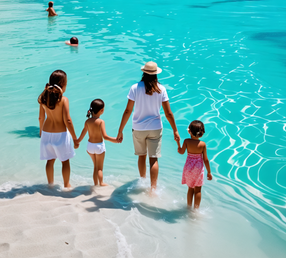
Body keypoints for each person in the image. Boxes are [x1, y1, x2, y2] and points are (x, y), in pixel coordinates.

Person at [116, 61, 180, 190]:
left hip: (138, 128)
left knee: (141, 156)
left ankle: (142, 183)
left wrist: (120, 130)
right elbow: (168, 113)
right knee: (153, 158)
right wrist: (175, 130)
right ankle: (153, 189)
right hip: (155, 127)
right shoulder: (161, 89)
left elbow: (128, 111)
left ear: (143, 73)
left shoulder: (135, 88)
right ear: (156, 74)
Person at [38, 70, 77, 188]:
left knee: (50, 160)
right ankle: (66, 185)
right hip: (60, 134)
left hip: (46, 132)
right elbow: (68, 120)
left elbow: (41, 117)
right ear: (62, 84)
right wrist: (75, 138)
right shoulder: (63, 99)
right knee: (65, 161)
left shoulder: (43, 98)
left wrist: (41, 131)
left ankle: (50, 184)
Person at [75, 99, 118, 186]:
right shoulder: (101, 122)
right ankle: (101, 183)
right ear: (102, 110)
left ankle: (95, 184)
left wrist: (77, 142)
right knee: (100, 169)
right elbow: (105, 136)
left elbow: (83, 134)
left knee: (95, 167)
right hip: (99, 146)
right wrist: (115, 140)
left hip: (90, 146)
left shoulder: (87, 121)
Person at [177, 120, 212, 209]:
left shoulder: (186, 141)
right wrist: (209, 172)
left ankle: (188, 207)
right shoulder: (203, 144)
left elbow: (181, 152)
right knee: (198, 190)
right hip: (198, 168)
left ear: (189, 131)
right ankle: (196, 210)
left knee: (190, 188)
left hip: (188, 167)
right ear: (202, 133)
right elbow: (206, 160)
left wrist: (178, 143)